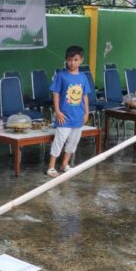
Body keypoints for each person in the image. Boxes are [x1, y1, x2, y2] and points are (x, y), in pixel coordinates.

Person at [45, 45, 90, 178]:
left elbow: (85, 96)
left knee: (73, 142)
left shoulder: (83, 77)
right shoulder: (61, 75)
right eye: (69, 60)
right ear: (66, 60)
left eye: (75, 60)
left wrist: (86, 112)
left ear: (81, 60)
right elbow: (56, 94)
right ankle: (51, 167)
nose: (72, 63)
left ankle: (64, 164)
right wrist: (57, 111)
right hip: (64, 116)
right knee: (59, 141)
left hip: (78, 117)